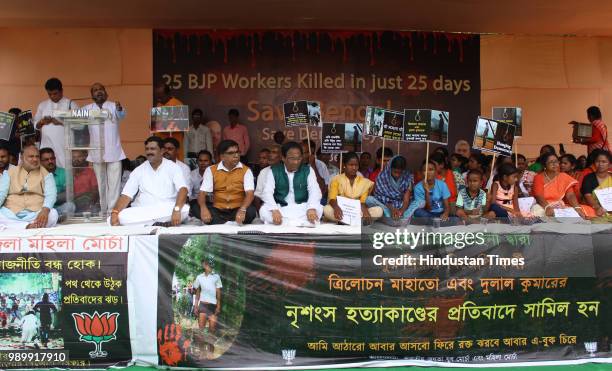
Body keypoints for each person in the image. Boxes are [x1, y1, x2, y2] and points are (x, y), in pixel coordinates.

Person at [110, 136, 189, 227]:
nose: (149, 152)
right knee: (117, 217)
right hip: (144, 210)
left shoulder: (173, 168)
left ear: (162, 151)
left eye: (153, 149)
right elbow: (126, 195)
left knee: (184, 210)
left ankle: (147, 224)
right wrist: (115, 212)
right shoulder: (139, 170)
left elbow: (183, 190)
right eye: (147, 149)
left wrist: (176, 209)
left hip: (166, 209)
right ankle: (158, 223)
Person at [81, 83, 126, 214]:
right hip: (96, 152)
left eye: (101, 89)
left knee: (114, 184)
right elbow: (74, 121)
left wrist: (119, 109)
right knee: (101, 184)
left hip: (114, 152)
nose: (98, 92)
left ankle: (113, 211)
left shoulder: (114, 106)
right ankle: (103, 210)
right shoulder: (87, 109)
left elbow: (122, 115)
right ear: (92, 95)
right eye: (95, 90)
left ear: (106, 93)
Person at [259, 141, 323, 226]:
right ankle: (301, 223)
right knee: (264, 211)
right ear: (283, 158)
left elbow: (315, 191)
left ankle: (285, 223)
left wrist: (311, 208)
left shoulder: (308, 170)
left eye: (299, 158)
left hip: (302, 207)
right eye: (292, 158)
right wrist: (274, 210)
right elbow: (267, 192)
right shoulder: (274, 170)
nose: (296, 162)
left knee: (318, 208)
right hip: (281, 208)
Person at [196, 140, 256, 225]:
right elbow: (202, 193)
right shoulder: (211, 170)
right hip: (218, 210)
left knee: (250, 211)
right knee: (196, 207)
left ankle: (220, 222)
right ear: (222, 156)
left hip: (238, 209)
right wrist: (203, 208)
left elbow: (250, 194)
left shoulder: (246, 170)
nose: (236, 155)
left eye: (237, 152)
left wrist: (242, 209)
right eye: (231, 153)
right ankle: (228, 221)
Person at [0, 145, 58, 229]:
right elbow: (1, 193)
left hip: (36, 213)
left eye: (37, 156)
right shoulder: (9, 172)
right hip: (11, 213)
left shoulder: (46, 174)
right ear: (22, 157)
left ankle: (19, 227)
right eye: (31, 156)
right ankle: (27, 226)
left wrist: (45, 210)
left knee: (53, 214)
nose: (35, 159)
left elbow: (51, 195)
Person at [324, 152, 382, 225]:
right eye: (351, 165)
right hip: (341, 211)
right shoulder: (336, 179)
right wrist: (336, 208)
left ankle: (346, 221)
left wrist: (365, 211)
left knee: (378, 210)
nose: (354, 168)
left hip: (357, 212)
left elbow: (363, 201)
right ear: (344, 165)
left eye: (356, 165)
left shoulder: (364, 182)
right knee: (326, 209)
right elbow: (332, 199)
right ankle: (354, 221)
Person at [34, 78, 78, 168]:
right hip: (47, 143)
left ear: (61, 91)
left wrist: (60, 122)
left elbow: (79, 125)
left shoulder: (71, 104)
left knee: (64, 166)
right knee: (46, 167)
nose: (52, 96)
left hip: (64, 143)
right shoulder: (43, 105)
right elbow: (35, 125)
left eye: (55, 93)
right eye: (49, 94)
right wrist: (42, 122)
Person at [531, 153, 588, 218]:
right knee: (538, 213)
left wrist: (577, 208)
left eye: (556, 161)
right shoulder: (538, 177)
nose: (554, 164)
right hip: (543, 205)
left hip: (559, 205)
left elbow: (570, 195)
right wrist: (547, 207)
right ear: (544, 165)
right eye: (551, 162)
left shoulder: (563, 176)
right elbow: (539, 196)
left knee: (582, 211)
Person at [366, 156, 413, 226]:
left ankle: (390, 218)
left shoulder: (407, 178)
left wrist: (401, 211)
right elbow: (380, 197)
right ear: (390, 168)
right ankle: (389, 217)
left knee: (416, 204)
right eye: (395, 172)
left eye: (400, 173)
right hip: (385, 205)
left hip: (400, 204)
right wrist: (392, 209)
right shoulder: (382, 177)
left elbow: (406, 200)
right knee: (369, 199)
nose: (397, 175)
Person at [193, 256, 222, 360]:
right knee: (201, 330)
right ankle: (202, 352)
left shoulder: (216, 277)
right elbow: (197, 292)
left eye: (210, 264)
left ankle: (210, 352)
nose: (209, 266)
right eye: (207, 264)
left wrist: (218, 306)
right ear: (204, 265)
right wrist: (196, 306)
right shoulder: (199, 277)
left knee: (212, 330)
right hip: (203, 306)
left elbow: (218, 292)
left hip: (213, 306)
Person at [39, 148, 75, 218]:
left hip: (58, 208)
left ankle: (52, 218)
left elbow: (68, 194)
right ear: (40, 161)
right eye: (46, 160)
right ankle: (51, 219)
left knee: (70, 206)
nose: (50, 161)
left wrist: (49, 199)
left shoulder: (65, 173)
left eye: (52, 158)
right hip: (41, 209)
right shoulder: (36, 175)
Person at [581, 150, 612, 222]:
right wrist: (597, 208)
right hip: (595, 208)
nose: (600, 164)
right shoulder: (588, 178)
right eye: (598, 161)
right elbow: (588, 196)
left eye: (604, 162)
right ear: (594, 163)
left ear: (610, 164)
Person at [254, 145, 281, 210]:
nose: (270, 155)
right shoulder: (263, 172)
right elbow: (257, 195)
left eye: (274, 152)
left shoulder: (288, 171)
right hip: (267, 207)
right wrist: (260, 211)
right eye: (270, 152)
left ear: (282, 156)